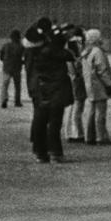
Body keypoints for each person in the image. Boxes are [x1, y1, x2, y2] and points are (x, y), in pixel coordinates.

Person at [23, 17, 76, 164]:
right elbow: (69, 55)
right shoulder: (52, 51)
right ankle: (55, 152)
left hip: (38, 90)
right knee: (54, 122)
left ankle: (40, 152)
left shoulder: (30, 53)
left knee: (40, 120)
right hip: (55, 90)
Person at [80, 29, 111, 145]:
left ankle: (89, 136)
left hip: (90, 85)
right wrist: (109, 84)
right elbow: (102, 70)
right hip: (99, 85)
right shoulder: (98, 52)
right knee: (100, 113)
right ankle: (101, 137)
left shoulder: (86, 51)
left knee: (91, 112)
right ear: (96, 38)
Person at [61, 25, 88, 142]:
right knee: (77, 107)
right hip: (75, 80)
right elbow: (73, 64)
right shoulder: (74, 47)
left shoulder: (67, 46)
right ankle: (76, 133)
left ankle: (70, 132)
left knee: (70, 108)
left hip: (69, 80)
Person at [0, 29, 25, 108]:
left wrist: (5, 60)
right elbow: (24, 57)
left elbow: (1, 56)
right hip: (17, 67)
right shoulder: (21, 46)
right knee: (17, 86)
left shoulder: (6, 45)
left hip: (7, 67)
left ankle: (4, 100)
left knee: (5, 85)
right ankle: (17, 101)